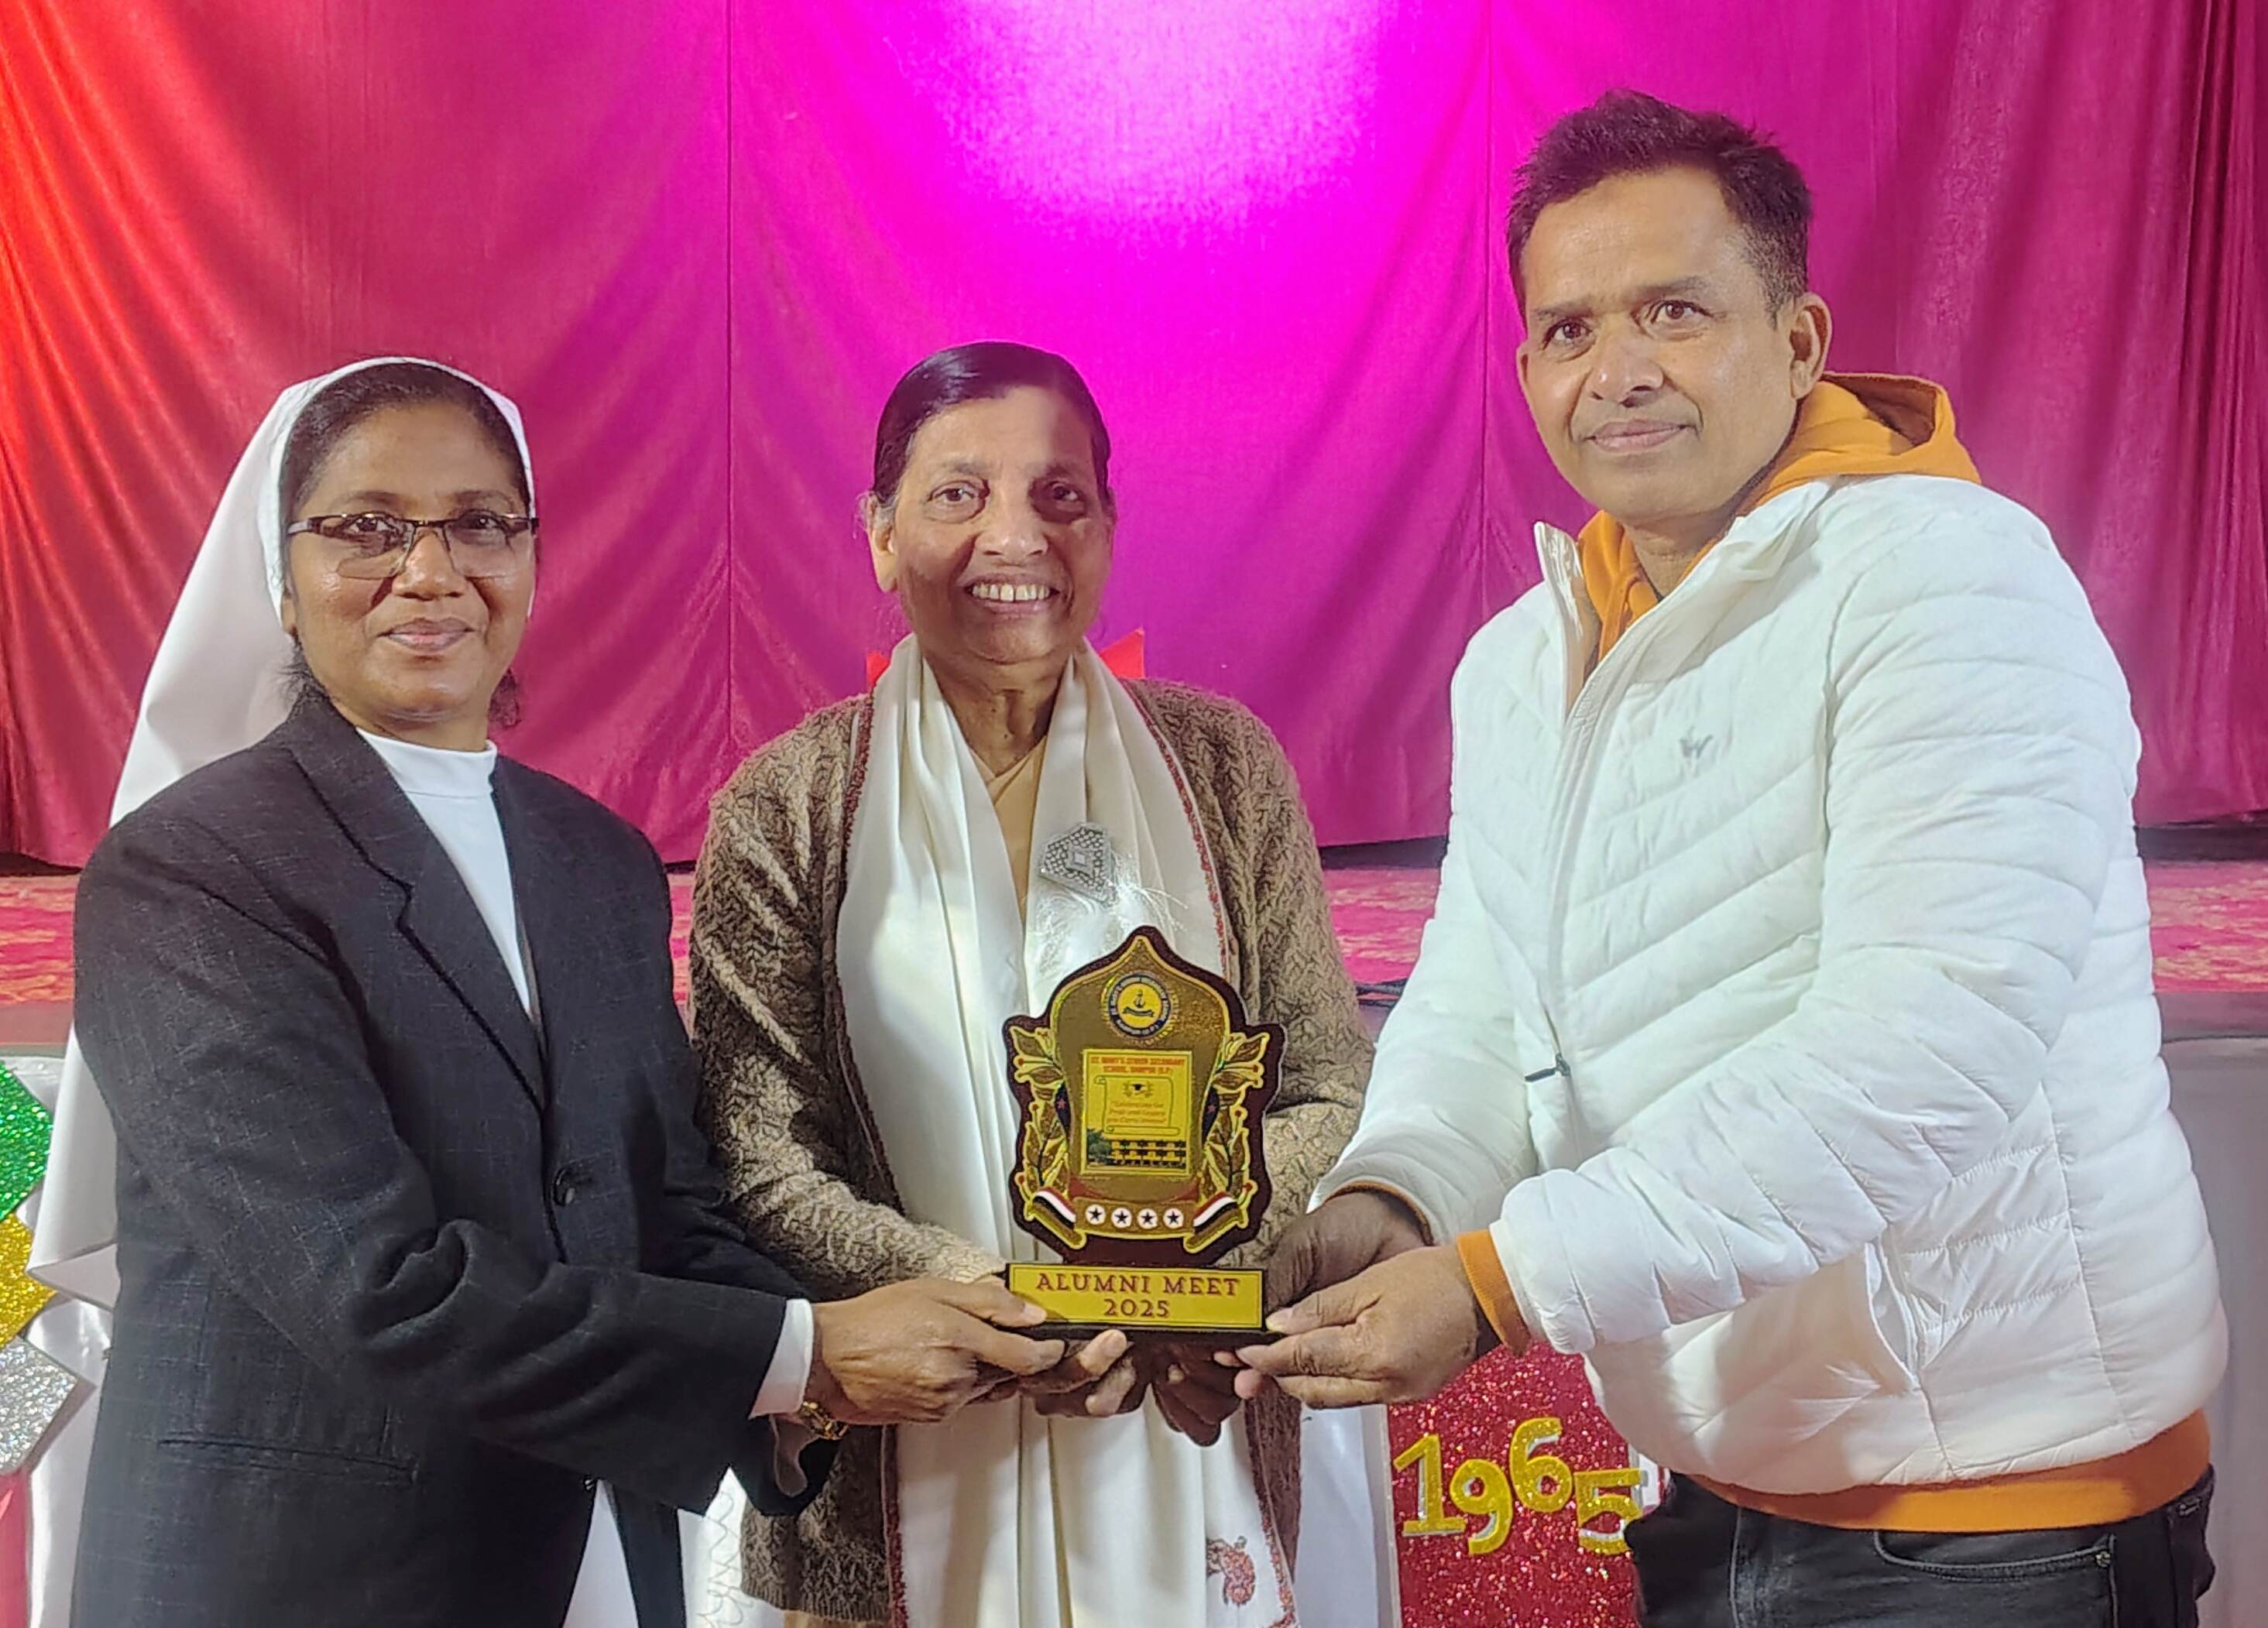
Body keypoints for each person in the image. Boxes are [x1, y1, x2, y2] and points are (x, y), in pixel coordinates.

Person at [1235, 92, 2226, 1626]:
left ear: (1800, 338)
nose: (1616, 370)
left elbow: (1925, 1049)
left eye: (1674, 312)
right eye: (1567, 330)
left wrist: (1500, 1282)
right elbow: (1483, 995)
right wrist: (1401, 1194)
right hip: (1720, 1483)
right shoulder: (1523, 656)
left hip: (1995, 1516)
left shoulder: (1947, 579)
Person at [59, 357, 1065, 1628]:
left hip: (593, 1548)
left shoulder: (594, 859)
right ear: (281, 573)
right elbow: (372, 1287)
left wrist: (876, 1352)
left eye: (480, 523)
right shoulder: (192, 868)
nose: (431, 571)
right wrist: (805, 1355)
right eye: (367, 527)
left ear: (531, 557)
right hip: (305, 1574)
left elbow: (661, 1207)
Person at [691, 340, 1371, 1626]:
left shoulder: (1223, 768)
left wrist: (1183, 1277)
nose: (1013, 535)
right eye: (957, 493)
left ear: (1107, 526)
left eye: (1059, 495)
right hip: (904, 1441)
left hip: (1183, 1400)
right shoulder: (788, 806)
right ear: (879, 534)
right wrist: (1000, 1305)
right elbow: (758, 1155)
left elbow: (1323, 1082)